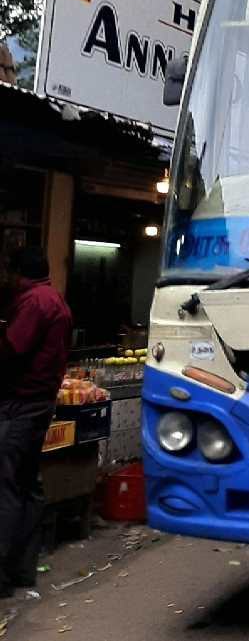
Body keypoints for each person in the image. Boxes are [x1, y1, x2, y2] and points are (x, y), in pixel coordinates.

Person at [0, 247, 72, 596]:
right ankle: (23, 569)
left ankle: (3, 574)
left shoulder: (33, 302)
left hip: (22, 404)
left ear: (19, 273)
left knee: (7, 484)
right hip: (39, 403)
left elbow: (11, 351)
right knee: (28, 485)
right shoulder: (53, 299)